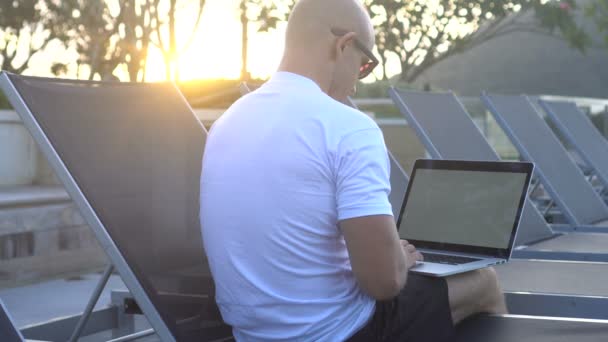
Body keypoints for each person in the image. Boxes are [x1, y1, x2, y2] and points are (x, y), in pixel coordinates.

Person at [200, 0, 507, 340]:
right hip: (338, 332)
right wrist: (398, 262)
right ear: (343, 45)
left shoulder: (226, 123)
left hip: (254, 334)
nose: (359, 83)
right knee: (483, 283)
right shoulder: (348, 128)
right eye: (364, 65)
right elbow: (384, 283)